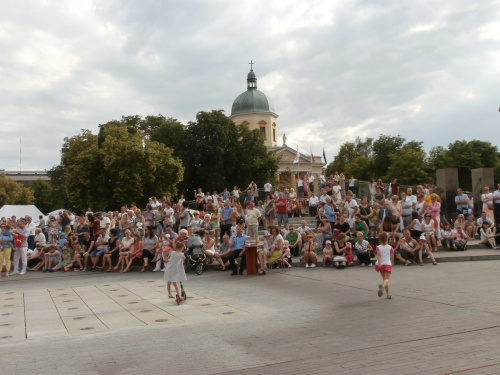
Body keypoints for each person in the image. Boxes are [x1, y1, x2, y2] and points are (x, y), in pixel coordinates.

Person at [375, 232, 394, 299]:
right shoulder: (390, 247)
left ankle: (388, 293)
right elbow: (392, 256)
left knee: (384, 279)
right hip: (387, 264)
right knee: (386, 279)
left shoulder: (378, 247)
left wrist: (380, 263)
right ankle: (383, 286)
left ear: (379, 239)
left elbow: (379, 256)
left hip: (380, 265)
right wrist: (392, 263)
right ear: (386, 239)